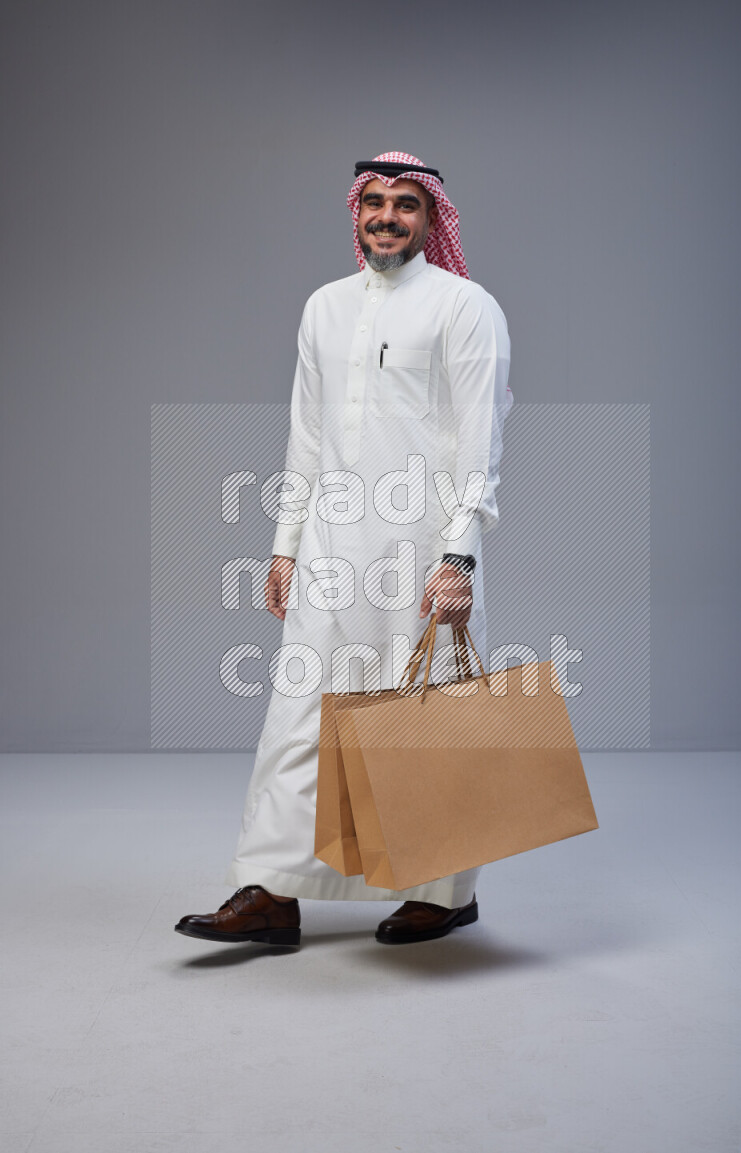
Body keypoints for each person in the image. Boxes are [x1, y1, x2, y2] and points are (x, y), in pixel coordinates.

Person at [175, 151, 512, 948]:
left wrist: (459, 554)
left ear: (432, 219)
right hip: (330, 546)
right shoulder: (324, 307)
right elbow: (308, 434)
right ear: (355, 214)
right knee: (299, 716)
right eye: (374, 203)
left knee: (422, 718)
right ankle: (272, 892)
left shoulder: (465, 307)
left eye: (405, 204)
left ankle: (443, 891)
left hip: (421, 547)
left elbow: (481, 441)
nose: (387, 216)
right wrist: (285, 544)